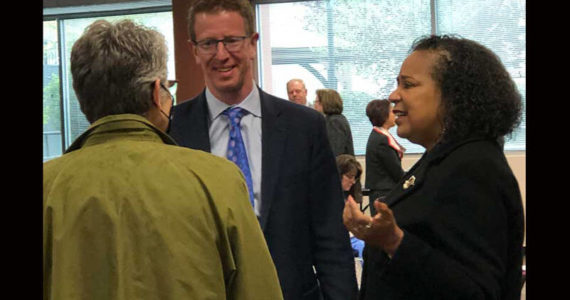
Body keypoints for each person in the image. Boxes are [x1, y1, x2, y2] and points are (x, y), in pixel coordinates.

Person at [43, 19, 283, 300]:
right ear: (157, 94)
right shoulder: (217, 181)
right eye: (170, 88)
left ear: (83, 100)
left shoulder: (48, 185)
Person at [168, 1, 358, 299]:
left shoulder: (304, 127)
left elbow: (330, 236)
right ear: (194, 50)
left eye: (231, 40)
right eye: (208, 43)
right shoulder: (172, 130)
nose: (221, 54)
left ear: (253, 43)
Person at [343, 35, 524, 299]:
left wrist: (394, 241)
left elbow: (477, 292)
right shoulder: (442, 158)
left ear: (454, 96)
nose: (394, 96)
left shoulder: (474, 168)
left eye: (408, 85)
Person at [364, 99, 405, 216]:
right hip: (384, 193)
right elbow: (395, 171)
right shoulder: (381, 140)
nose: (395, 114)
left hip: (383, 192)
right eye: (392, 112)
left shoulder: (379, 135)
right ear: (384, 115)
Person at [336, 154, 365, 259]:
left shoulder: (346, 197)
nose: (353, 181)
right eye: (349, 177)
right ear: (338, 174)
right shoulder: (328, 199)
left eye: (354, 178)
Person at [314, 88, 355, 157]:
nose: (314, 105)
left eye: (316, 101)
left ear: (324, 103)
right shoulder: (335, 119)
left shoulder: (334, 122)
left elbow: (334, 152)